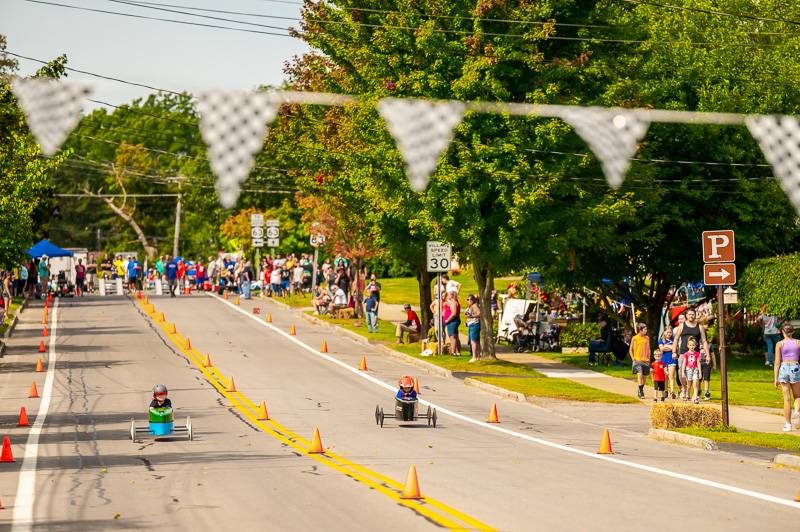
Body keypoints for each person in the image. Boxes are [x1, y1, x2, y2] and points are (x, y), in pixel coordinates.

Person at [672, 309, 709, 400]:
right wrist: (674, 352)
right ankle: (684, 389)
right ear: (686, 316)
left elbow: (704, 341)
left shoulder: (699, 327)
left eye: (693, 314)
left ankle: (694, 393)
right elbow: (676, 339)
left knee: (694, 374)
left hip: (695, 354)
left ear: (695, 315)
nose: (691, 316)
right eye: (689, 314)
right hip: (683, 353)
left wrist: (707, 354)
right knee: (681, 373)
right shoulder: (682, 326)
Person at [774, 323, 800, 432]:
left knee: (787, 399)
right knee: (798, 396)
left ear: (782, 332)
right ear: (793, 332)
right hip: (795, 367)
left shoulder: (779, 344)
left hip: (784, 368)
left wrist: (775, 378)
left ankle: (788, 424)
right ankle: (797, 412)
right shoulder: (798, 342)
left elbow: (777, 362)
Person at [629, 323, 651, 399]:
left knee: (644, 378)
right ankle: (641, 392)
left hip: (646, 360)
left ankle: (640, 389)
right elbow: (630, 349)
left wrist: (649, 358)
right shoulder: (634, 338)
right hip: (637, 360)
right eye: (645, 329)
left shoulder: (647, 338)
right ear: (640, 330)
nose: (646, 330)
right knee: (640, 375)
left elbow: (648, 349)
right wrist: (633, 359)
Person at [659, 327, 677, 399]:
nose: (668, 334)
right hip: (664, 360)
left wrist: (667, 346)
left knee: (671, 376)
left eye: (670, 332)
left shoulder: (674, 340)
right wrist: (670, 347)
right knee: (665, 376)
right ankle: (666, 390)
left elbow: (675, 348)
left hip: (672, 359)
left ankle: (672, 392)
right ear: (664, 332)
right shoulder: (661, 340)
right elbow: (662, 349)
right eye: (667, 332)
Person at [683, 337, 702, 403]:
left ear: (695, 345)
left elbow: (698, 363)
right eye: (690, 345)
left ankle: (695, 398)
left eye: (693, 345)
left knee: (695, 384)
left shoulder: (697, 354)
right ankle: (687, 396)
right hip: (688, 370)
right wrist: (683, 372)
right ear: (688, 345)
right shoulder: (686, 354)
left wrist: (700, 372)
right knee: (688, 385)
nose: (692, 346)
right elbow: (684, 363)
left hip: (695, 370)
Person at [444, 291, 461, 356]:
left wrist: (447, 320)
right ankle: (457, 351)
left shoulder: (453, 303)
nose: (447, 295)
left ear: (452, 295)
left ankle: (453, 352)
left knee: (452, 337)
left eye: (448, 294)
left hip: (452, 321)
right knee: (456, 336)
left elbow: (453, 313)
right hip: (455, 321)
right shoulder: (455, 302)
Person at [465, 294, 481, 361]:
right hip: (471, 324)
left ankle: (474, 357)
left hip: (475, 324)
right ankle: (477, 356)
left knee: (473, 341)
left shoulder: (475, 305)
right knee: (475, 341)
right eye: (467, 299)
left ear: (473, 300)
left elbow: (479, 313)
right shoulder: (471, 306)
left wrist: (470, 316)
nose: (469, 301)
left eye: (470, 299)